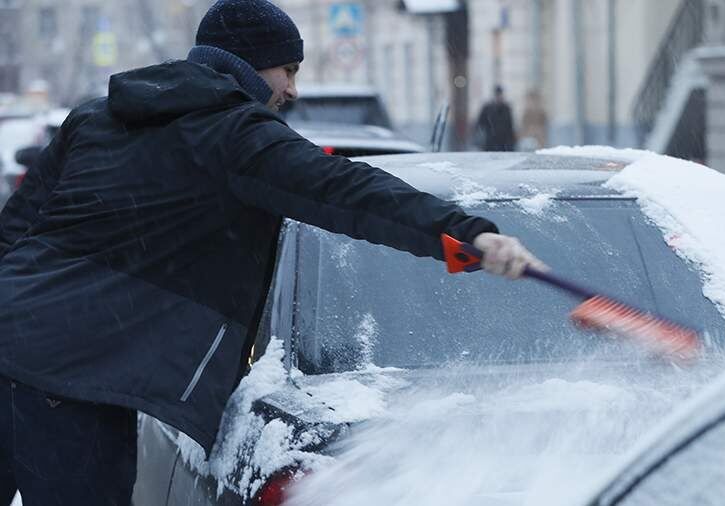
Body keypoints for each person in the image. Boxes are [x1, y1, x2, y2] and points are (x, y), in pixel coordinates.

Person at [0, 1, 544, 504]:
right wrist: (465, 235)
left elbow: (13, 232)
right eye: (290, 70)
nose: (293, 89)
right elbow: (345, 191)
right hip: (70, 383)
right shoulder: (236, 134)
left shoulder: (98, 117)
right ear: (253, 68)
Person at [474, 85, 517, 151]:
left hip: (503, 142)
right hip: (490, 141)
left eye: (500, 95)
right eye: (497, 95)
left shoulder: (506, 108)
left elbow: (510, 126)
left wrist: (511, 141)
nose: (498, 97)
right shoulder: (487, 108)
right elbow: (480, 123)